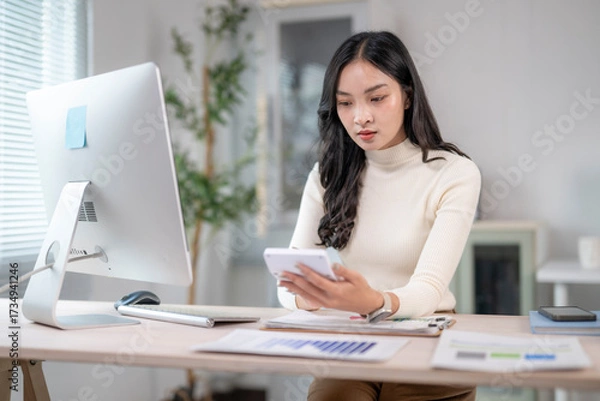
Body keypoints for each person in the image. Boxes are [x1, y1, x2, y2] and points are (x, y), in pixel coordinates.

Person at [276, 30, 481, 401]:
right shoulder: (328, 175)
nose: (361, 117)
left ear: (407, 96)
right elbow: (287, 286)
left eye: (377, 98)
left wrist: (372, 301)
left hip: (426, 341)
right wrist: (315, 296)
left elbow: (427, 290)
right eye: (346, 104)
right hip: (352, 345)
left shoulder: (454, 173)